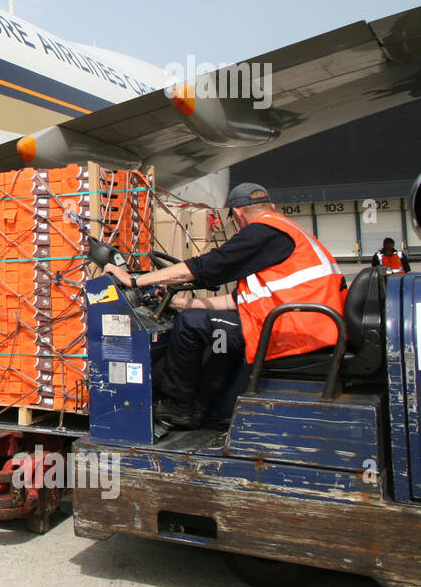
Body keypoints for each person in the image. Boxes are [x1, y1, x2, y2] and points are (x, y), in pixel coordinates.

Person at [104, 183, 347, 429]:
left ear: (238, 214)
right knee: (220, 335)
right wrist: (185, 304)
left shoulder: (262, 232)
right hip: (308, 324)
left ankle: (177, 405)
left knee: (192, 324)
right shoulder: (286, 231)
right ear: (270, 206)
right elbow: (242, 299)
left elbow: (207, 266)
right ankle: (201, 405)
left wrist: (135, 280)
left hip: (297, 329)